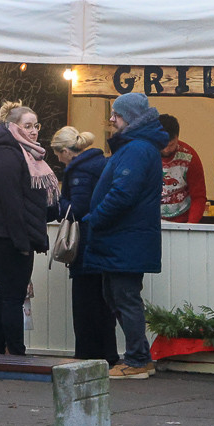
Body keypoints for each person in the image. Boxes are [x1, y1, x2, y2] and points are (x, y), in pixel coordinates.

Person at [84, 92, 169, 379]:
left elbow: (122, 194)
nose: (111, 119)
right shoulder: (139, 147)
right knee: (117, 296)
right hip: (125, 239)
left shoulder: (136, 149)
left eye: (116, 115)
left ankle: (136, 360)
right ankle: (140, 356)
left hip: (124, 238)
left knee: (124, 297)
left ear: (130, 118)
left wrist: (95, 219)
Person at [0, 100, 59, 355]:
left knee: (5, 295)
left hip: (11, 234)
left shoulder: (22, 152)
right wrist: (22, 243)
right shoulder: (6, 154)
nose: (34, 131)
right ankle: (15, 354)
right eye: (28, 126)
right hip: (9, 236)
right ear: (13, 127)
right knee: (12, 297)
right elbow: (11, 202)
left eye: (36, 126)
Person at [50, 126, 119, 368]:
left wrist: (58, 200)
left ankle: (87, 355)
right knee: (103, 304)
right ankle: (107, 353)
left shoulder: (79, 171)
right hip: (104, 243)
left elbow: (77, 209)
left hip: (87, 245)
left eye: (58, 155)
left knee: (85, 304)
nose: (59, 160)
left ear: (66, 151)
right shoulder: (101, 163)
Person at [158, 114, 207, 223]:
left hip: (182, 220)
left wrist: (190, 225)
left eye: (171, 145)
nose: (166, 150)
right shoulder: (147, 155)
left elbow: (198, 196)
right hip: (152, 220)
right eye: (163, 145)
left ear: (177, 137)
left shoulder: (189, 157)